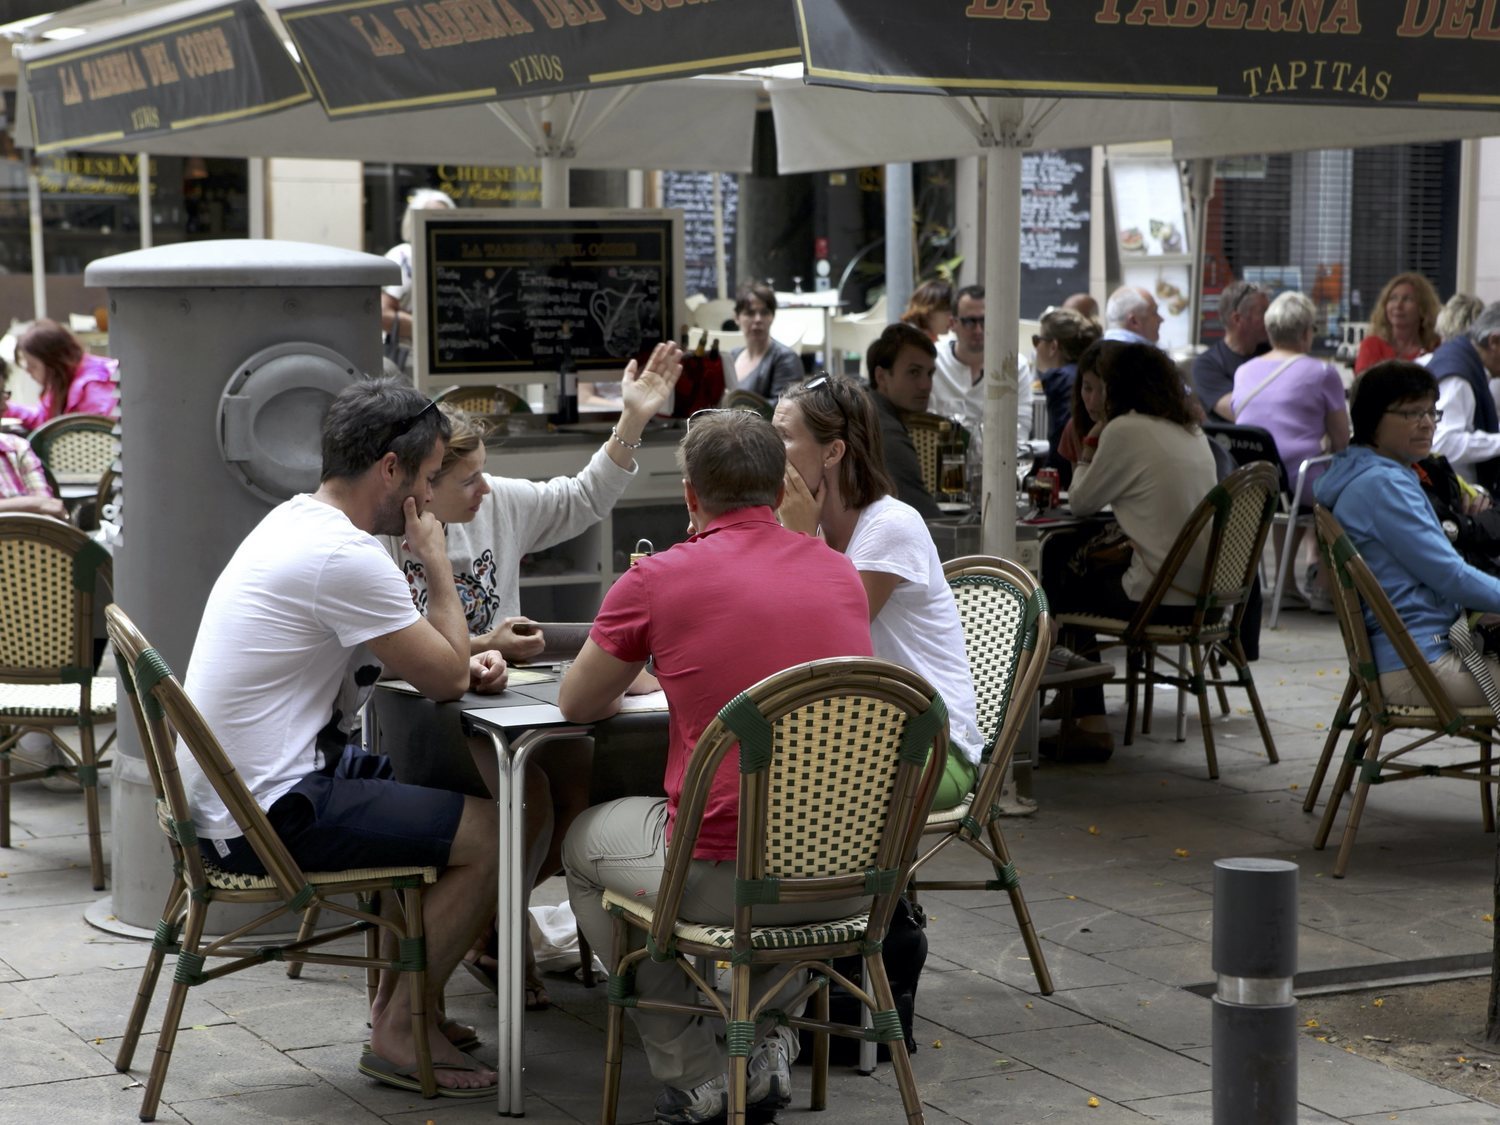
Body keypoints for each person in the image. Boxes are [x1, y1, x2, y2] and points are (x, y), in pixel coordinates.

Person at [181, 379, 503, 1097]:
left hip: (234, 796)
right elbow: (446, 679)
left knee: (446, 787)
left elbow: (418, 654)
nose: (425, 498)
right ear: (389, 468)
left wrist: (463, 644)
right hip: (267, 814)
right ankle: (397, 1026)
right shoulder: (346, 556)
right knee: (495, 830)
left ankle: (410, 1006)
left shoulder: (296, 521)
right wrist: (436, 560)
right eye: (424, 479)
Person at [558, 409, 873, 1124]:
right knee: (750, 837)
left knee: (585, 846)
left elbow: (578, 702)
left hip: (725, 880)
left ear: (690, 494)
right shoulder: (839, 573)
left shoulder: (658, 579)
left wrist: (657, 663)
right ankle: (762, 1043)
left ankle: (695, 1067)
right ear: (779, 484)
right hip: (850, 876)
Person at [384, 342, 682, 1009]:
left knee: (578, 767)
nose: (485, 489)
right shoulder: (389, 537)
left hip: (500, 706)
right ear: (426, 484)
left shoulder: (500, 505)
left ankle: (489, 918)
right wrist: (479, 644)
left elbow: (582, 498)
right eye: (468, 480)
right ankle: (488, 924)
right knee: (533, 801)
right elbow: (390, 660)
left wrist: (630, 422)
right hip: (419, 716)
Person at [774, 374, 984, 812]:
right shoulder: (813, 529)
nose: (771, 452)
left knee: (765, 778)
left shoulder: (890, 526)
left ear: (833, 452)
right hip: (862, 732)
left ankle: (830, 880)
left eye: (784, 438)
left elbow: (826, 638)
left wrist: (795, 542)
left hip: (933, 750)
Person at [1042, 342, 1219, 760]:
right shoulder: (1189, 429)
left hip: (1160, 597)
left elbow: (1082, 501)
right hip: (1207, 597)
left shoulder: (1124, 429)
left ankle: (1089, 722)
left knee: (1059, 581)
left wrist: (1089, 444)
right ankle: (1074, 703)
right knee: (1071, 572)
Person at [1315, 361, 1500, 706]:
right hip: (1420, 663)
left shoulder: (1365, 471)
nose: (1427, 423)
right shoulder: (1385, 485)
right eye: (1412, 413)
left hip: (1408, 650)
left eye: (1432, 412)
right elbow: (1450, 576)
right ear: (1372, 419)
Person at [1230, 290, 1350, 489]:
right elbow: (1341, 442)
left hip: (1250, 489)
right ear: (1305, 333)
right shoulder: (1323, 372)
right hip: (1301, 485)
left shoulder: (1242, 371)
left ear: (1269, 332)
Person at [931, 284, 1033, 464]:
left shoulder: (1015, 366)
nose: (978, 330)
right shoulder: (933, 361)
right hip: (939, 468)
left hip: (995, 470)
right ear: (953, 323)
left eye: (985, 320)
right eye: (970, 321)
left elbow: (1019, 433)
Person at [866, 322, 942, 519]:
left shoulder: (868, 411)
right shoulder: (886, 434)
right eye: (914, 372)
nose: (926, 385)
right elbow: (925, 518)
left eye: (930, 374)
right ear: (881, 377)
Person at [1427, 302, 1500, 488]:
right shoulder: (1458, 376)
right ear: (1494, 341)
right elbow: (1443, 442)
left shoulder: (1464, 360)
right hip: (1453, 497)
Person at [5, 319, 118, 430]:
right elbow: (44, 419)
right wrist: (7, 408)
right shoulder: (63, 381)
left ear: (53, 362)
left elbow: (100, 432)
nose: (28, 371)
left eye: (33, 365)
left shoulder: (94, 387)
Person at [382, 188, 457, 353]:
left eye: (444, 218)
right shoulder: (404, 256)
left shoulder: (454, 260)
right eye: (429, 217)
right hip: (406, 358)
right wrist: (432, 330)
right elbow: (383, 314)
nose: (437, 224)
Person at [1035, 307, 1102, 485]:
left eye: (1037, 340)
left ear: (1053, 346)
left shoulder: (1059, 379)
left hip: (1074, 476)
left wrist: (1040, 480)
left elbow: (1059, 446)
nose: (1036, 347)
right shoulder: (1087, 374)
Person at [1193, 279, 1270, 423]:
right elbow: (1240, 412)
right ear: (1237, 319)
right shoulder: (1207, 365)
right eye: (1263, 312)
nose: (1271, 319)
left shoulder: (1273, 353)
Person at [0, 357, 66, 519]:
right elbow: (43, 504)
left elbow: (49, 512)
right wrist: (33, 504)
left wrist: (40, 504)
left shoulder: (16, 448)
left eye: (2, 394)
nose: (4, 406)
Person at [1353, 272, 1440, 375]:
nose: (1398, 305)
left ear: (1423, 308)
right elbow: (1363, 387)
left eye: (1407, 299)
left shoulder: (1435, 348)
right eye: (1393, 298)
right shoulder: (1372, 345)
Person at [728, 280, 802, 400]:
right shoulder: (732, 356)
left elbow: (784, 410)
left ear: (772, 317)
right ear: (736, 317)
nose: (758, 319)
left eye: (764, 313)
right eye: (750, 313)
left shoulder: (786, 359)